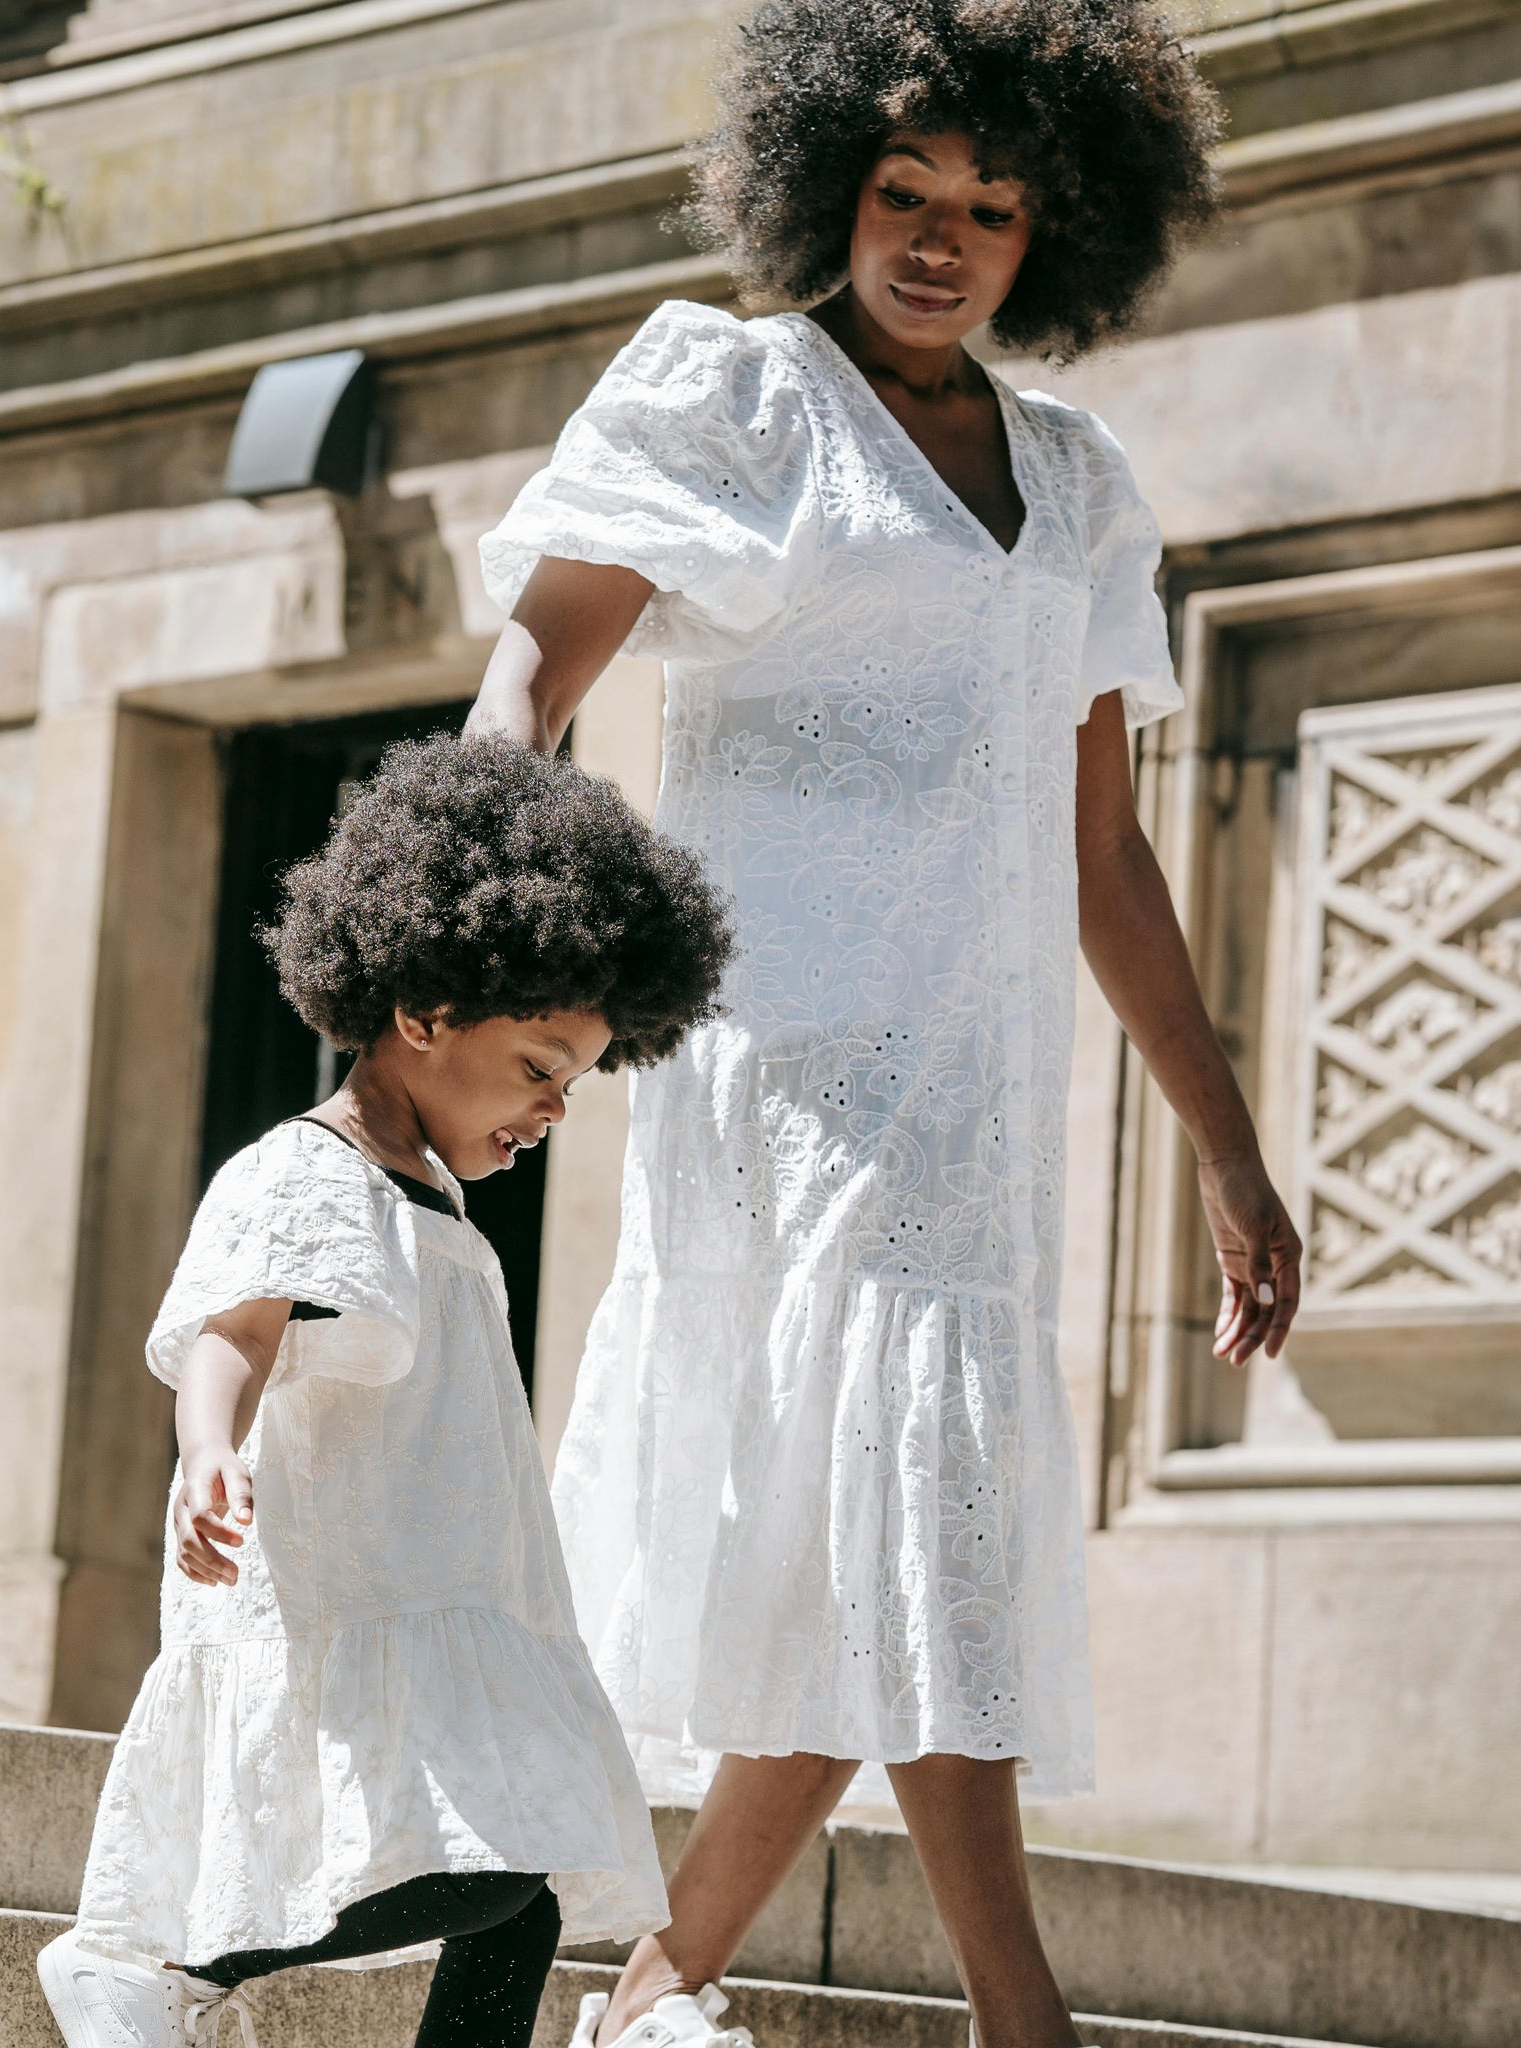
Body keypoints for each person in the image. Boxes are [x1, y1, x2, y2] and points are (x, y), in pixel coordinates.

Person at [466, 4, 1304, 2046]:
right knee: (909, 1515)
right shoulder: (733, 397)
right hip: (791, 1062)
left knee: (889, 1541)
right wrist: (496, 928)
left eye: (992, 211)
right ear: (828, 182)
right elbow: (528, 692)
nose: (942, 239)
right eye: (905, 191)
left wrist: (1222, 1142)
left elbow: (1105, 862)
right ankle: (1025, 2021)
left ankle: (659, 1983)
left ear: (1051, 237)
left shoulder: (1085, 486)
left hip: (985, 1090)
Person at [38, 736, 733, 2048]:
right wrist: (209, 1454)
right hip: (351, 1605)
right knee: (479, 1875)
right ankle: (165, 1969)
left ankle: (180, 1976)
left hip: (446, 1600)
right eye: (538, 1067)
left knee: (520, 1899)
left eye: (574, 1082)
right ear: (421, 1014)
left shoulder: (443, 1207)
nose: (554, 1109)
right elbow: (235, 1330)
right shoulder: (308, 1175)